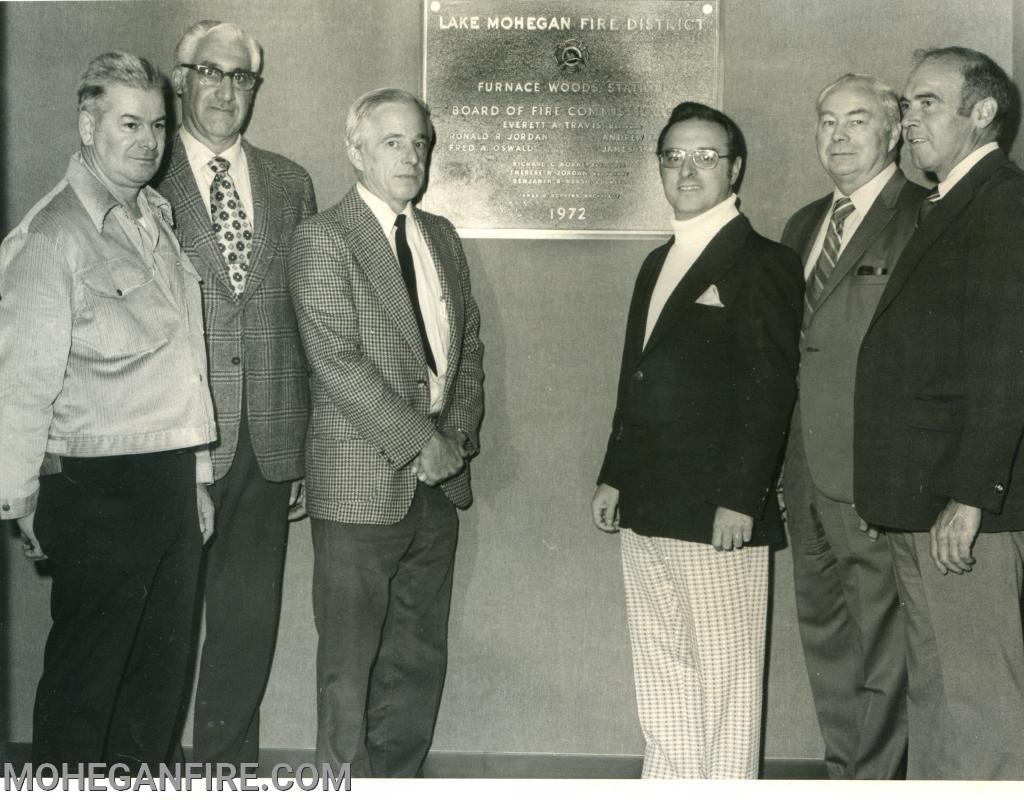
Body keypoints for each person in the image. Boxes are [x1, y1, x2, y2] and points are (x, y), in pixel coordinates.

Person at [0, 52, 216, 770]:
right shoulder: (52, 235)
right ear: (88, 125)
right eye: (129, 123)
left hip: (167, 481)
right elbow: (20, 380)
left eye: (157, 123)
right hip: (95, 488)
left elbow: (182, 361)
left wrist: (196, 473)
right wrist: (21, 495)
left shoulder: (155, 218)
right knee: (84, 689)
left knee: (156, 691)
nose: (148, 140)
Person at [591, 101, 802, 779]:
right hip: (647, 506)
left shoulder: (763, 262)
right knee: (662, 669)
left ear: (734, 169)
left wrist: (742, 498)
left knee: (727, 680)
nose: (687, 170)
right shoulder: (657, 263)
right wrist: (613, 474)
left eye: (704, 157)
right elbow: (639, 377)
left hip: (719, 512)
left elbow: (769, 392)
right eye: (674, 157)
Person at [287, 87, 484, 778]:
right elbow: (336, 360)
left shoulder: (444, 238)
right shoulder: (323, 239)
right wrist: (419, 442)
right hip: (361, 481)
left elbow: (468, 349)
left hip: (437, 483)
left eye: (420, 143)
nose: (411, 156)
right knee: (348, 663)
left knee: (417, 656)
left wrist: (452, 440)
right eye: (393, 142)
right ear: (356, 151)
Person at [854, 46, 1024, 779]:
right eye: (908, 103)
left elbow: (1005, 361)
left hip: (962, 507)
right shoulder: (951, 202)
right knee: (938, 696)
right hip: (922, 497)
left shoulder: (1001, 203)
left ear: (981, 113)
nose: (908, 118)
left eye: (927, 103)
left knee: (979, 703)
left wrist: (970, 496)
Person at [154, 19, 317, 767]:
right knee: (164, 620)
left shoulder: (289, 183)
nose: (224, 90)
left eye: (240, 78)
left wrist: (310, 446)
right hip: (172, 434)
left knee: (248, 621)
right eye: (209, 73)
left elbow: (311, 317)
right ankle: (145, 770)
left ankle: (226, 771)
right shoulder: (148, 178)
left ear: (256, 89)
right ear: (180, 78)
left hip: (269, 432)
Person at [781, 73, 924, 779]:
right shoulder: (805, 224)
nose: (838, 136)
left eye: (858, 120)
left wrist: (893, 477)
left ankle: (874, 782)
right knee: (827, 638)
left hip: (871, 475)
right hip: (804, 473)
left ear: (895, 130)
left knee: (882, 646)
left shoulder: (924, 216)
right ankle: (844, 772)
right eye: (827, 120)